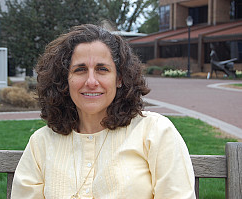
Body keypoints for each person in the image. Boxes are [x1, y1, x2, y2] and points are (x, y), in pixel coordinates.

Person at [11, 24, 196, 199]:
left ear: (119, 78)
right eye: (80, 69)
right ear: (64, 80)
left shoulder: (155, 132)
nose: (91, 81)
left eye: (102, 69)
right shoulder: (41, 143)